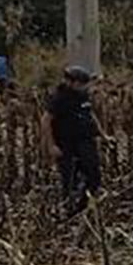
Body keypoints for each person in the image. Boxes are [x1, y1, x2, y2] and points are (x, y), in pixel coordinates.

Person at [47, 65, 103, 215]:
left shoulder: (83, 95)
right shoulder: (59, 98)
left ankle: (84, 206)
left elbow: (90, 115)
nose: (84, 86)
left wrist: (103, 135)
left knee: (94, 174)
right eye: (81, 83)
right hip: (66, 144)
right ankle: (69, 211)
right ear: (71, 82)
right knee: (70, 179)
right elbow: (45, 121)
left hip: (85, 141)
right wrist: (51, 145)